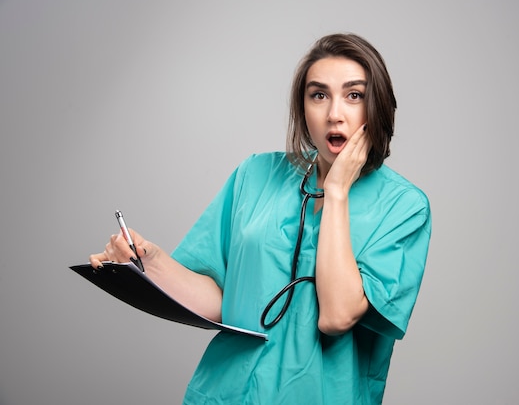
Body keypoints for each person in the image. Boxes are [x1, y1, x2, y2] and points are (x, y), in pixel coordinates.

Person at [90, 33, 432, 405]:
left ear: (377, 106)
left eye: (354, 95)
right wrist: (150, 263)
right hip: (228, 392)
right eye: (319, 95)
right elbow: (224, 301)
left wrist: (336, 192)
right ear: (303, 108)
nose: (335, 113)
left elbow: (336, 317)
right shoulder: (255, 174)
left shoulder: (404, 207)